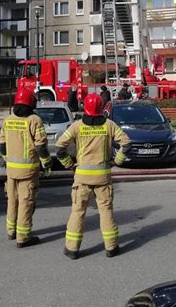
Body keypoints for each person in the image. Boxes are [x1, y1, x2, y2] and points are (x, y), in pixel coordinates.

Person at [55, 93, 132, 259]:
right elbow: (126, 143)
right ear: (101, 108)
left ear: (85, 108)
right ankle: (111, 247)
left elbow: (59, 148)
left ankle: (72, 249)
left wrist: (69, 164)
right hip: (103, 177)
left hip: (82, 177)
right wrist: (117, 161)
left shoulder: (76, 126)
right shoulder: (109, 125)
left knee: (77, 211)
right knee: (106, 211)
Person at [0, 87, 51, 248]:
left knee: (12, 201)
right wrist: (47, 162)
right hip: (28, 171)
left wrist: (7, 160)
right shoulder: (34, 120)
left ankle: (11, 230)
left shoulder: (8, 120)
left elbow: (2, 144)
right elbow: (41, 146)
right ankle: (23, 237)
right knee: (26, 202)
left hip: (11, 170)